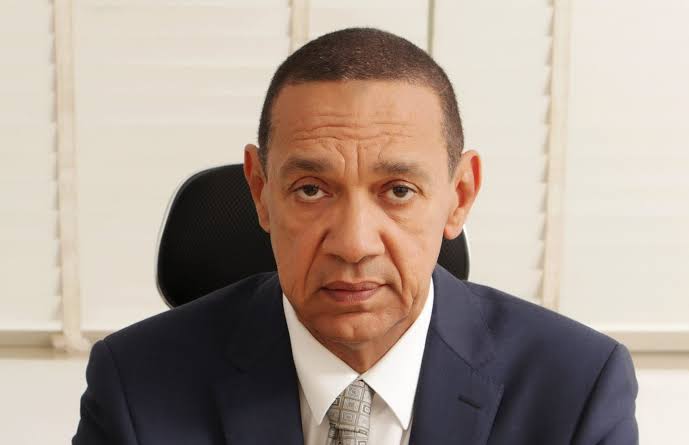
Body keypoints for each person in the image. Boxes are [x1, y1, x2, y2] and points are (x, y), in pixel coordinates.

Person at [73, 28, 638, 444]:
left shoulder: (576, 388)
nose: (353, 243)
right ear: (260, 191)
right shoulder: (135, 386)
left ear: (460, 195)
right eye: (311, 190)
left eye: (398, 191)